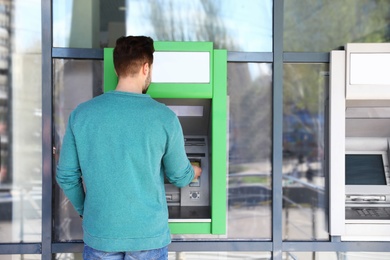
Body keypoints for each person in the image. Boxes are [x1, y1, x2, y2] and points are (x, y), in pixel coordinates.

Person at [56, 35, 202, 259]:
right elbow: (180, 176)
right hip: (148, 236)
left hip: (102, 233)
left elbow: (66, 175)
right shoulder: (164, 118)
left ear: (117, 70)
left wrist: (86, 211)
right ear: (146, 68)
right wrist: (195, 170)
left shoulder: (81, 115)